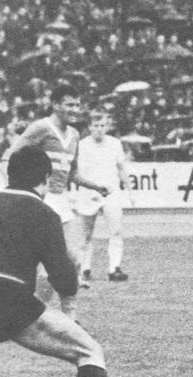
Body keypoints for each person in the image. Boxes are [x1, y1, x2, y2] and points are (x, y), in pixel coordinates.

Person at [0, 146, 142, 377]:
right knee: (89, 351)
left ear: (10, 174)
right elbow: (61, 274)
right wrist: (69, 309)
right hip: (9, 297)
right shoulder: (44, 213)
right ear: (46, 178)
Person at [3, 84, 109, 290]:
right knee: (43, 263)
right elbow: (10, 157)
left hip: (61, 199)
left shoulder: (75, 135)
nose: (75, 109)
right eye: (69, 105)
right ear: (55, 105)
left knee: (74, 257)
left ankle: (62, 306)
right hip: (42, 199)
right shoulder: (41, 128)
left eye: (77, 105)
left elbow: (72, 173)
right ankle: (39, 305)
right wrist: (20, 190)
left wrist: (96, 187)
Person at [74, 112, 133, 282]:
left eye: (102, 126)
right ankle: (84, 269)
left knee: (116, 231)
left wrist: (130, 191)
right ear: (90, 127)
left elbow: (121, 168)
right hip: (89, 193)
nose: (99, 129)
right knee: (86, 234)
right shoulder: (82, 145)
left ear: (107, 127)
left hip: (111, 193)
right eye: (96, 126)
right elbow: (77, 172)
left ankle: (114, 269)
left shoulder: (115, 144)